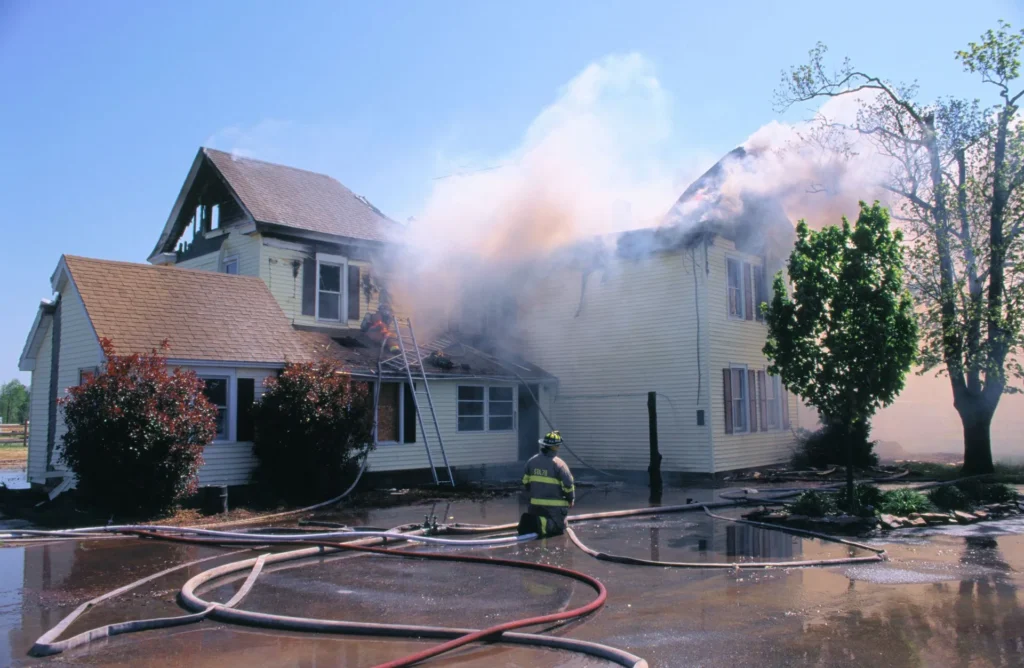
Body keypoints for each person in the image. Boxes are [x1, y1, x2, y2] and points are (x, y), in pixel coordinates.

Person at [518, 430, 575, 537]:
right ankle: (537, 524)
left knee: (541, 522)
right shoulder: (560, 465)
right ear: (556, 447)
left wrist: (535, 493)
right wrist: (570, 499)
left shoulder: (531, 461)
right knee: (559, 529)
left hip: (535, 506)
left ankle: (534, 522)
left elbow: (525, 482)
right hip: (554, 508)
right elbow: (568, 486)